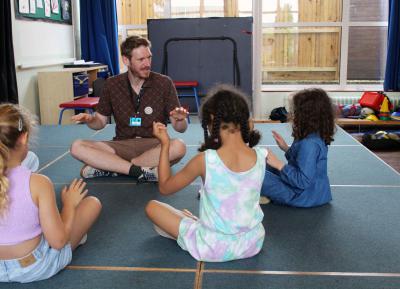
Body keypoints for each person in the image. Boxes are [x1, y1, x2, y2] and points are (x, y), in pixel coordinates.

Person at [145, 85, 267, 262]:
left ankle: (191, 228)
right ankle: (192, 223)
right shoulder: (262, 155)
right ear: (245, 120)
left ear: (212, 123)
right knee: (186, 217)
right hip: (252, 243)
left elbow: (164, 187)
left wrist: (165, 144)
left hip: (213, 247)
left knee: (152, 207)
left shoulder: (205, 160)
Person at [0, 104, 102, 283]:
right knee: (92, 204)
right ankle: (74, 234)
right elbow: (58, 241)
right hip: (35, 267)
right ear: (24, 138)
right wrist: (69, 205)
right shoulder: (39, 183)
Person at [70, 35, 188, 182]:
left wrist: (180, 120)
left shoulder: (164, 83)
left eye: (149, 58)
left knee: (179, 146)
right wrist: (90, 119)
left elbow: (180, 128)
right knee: (77, 146)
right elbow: (100, 122)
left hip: (154, 145)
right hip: (120, 145)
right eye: (141, 60)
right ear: (126, 60)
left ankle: (113, 167)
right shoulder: (112, 84)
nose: (147, 64)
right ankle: (139, 171)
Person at [260, 88, 336, 207]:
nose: (291, 114)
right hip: (311, 192)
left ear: (306, 116)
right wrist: (285, 148)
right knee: (259, 163)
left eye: (294, 111)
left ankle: (256, 194)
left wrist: (279, 164)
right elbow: (302, 162)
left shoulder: (309, 144)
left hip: (303, 196)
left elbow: (302, 181)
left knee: (255, 173)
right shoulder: (312, 135)